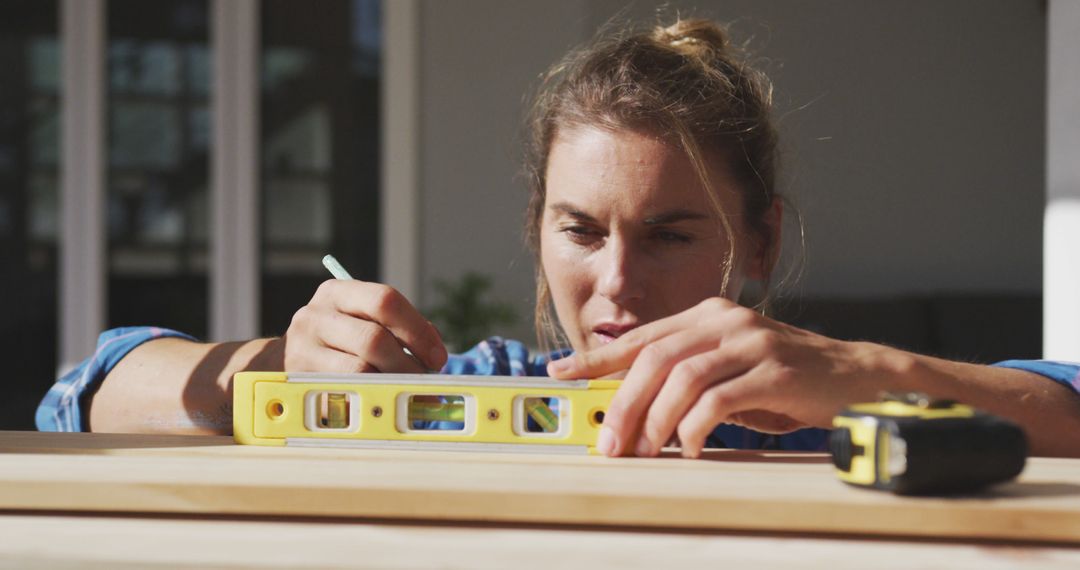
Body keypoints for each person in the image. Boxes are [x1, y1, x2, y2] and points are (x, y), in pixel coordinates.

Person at [38, 18, 1080, 458]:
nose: (615, 283)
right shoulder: (470, 396)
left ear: (759, 242)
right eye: (579, 230)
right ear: (535, 229)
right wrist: (274, 364)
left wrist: (866, 373)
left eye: (669, 234)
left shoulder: (835, 417)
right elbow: (82, 391)